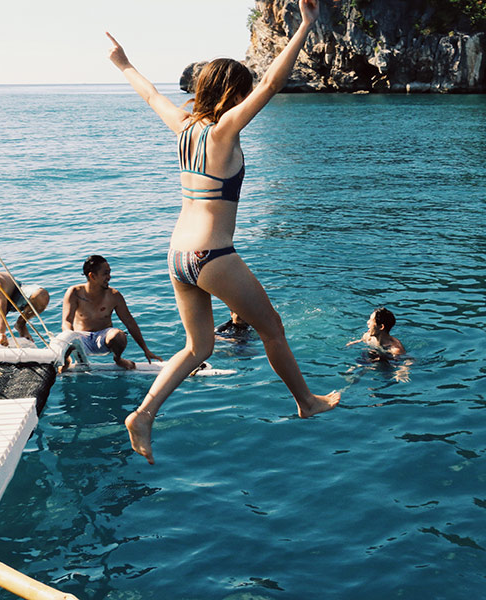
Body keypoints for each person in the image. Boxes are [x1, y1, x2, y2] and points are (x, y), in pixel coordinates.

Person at [108, 2, 339, 465]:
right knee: (272, 329)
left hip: (177, 257)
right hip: (212, 255)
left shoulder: (183, 127)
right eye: (243, 93)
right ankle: (305, 402)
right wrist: (306, 25)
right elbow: (274, 83)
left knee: (199, 346)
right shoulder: (223, 131)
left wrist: (124, 64)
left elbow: (151, 95)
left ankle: (145, 413)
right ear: (233, 94)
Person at [61, 255, 162, 370]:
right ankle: (66, 361)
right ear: (92, 276)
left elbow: (130, 323)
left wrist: (146, 350)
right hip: (81, 338)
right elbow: (66, 321)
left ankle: (118, 359)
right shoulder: (74, 293)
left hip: (104, 338)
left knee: (119, 336)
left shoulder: (114, 296)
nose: (109, 277)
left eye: (109, 273)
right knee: (64, 336)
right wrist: (70, 338)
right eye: (105, 273)